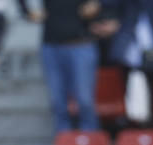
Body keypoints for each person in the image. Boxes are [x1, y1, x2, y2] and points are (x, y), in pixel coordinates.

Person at [36, 0, 108, 134]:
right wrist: (26, 11)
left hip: (80, 44)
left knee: (84, 100)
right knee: (57, 102)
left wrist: (98, 4)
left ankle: (90, 141)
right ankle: (64, 141)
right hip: (51, 45)